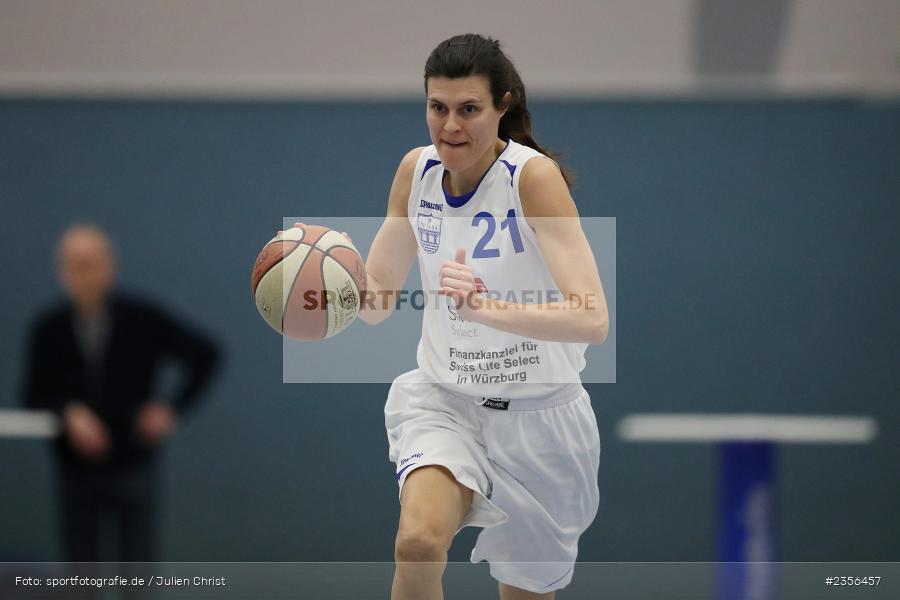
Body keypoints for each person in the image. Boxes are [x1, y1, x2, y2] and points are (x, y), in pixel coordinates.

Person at [359, 34, 609, 600]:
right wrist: (337, 289)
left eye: (469, 109)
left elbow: (592, 319)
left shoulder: (531, 178)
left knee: (523, 592)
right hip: (447, 401)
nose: (450, 125)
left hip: (541, 420)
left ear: (503, 105)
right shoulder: (415, 173)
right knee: (418, 544)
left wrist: (486, 308)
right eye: (437, 107)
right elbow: (376, 304)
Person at [22, 224, 219, 568]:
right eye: (76, 264)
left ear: (110, 265)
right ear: (62, 270)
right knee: (82, 572)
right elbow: (33, 393)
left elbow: (206, 354)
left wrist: (171, 408)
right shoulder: (48, 329)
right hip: (75, 469)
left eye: (93, 263)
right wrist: (67, 412)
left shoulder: (142, 319)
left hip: (134, 461)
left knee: (137, 571)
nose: (85, 274)